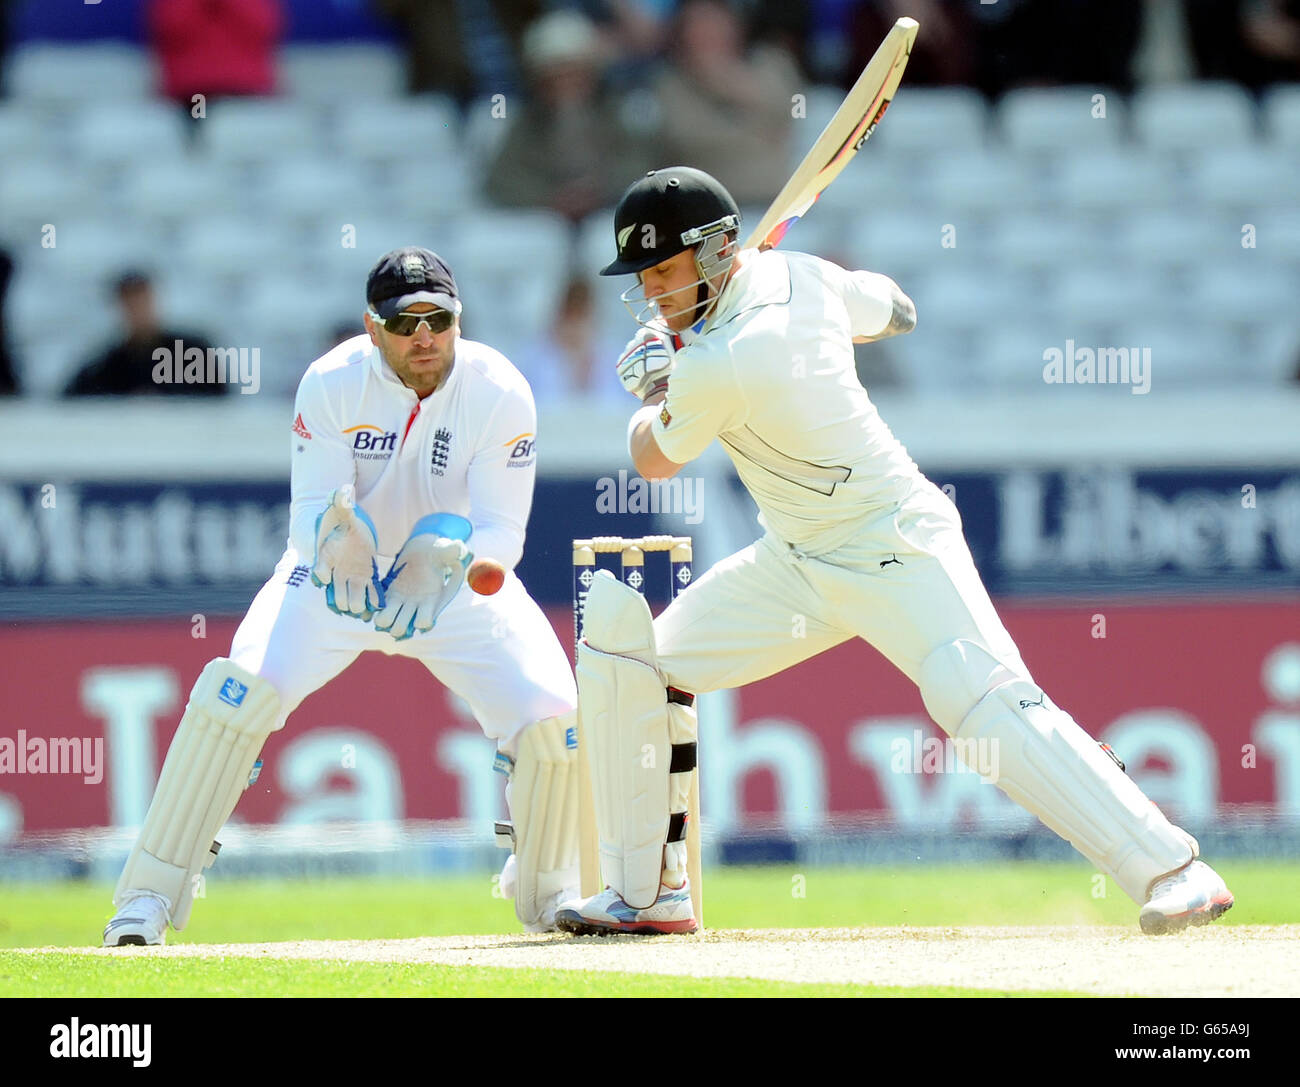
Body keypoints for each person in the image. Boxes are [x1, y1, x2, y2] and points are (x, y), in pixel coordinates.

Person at [556, 166, 1235, 936]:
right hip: (796, 562)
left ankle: (1177, 869)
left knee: (976, 699)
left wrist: (655, 388)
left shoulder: (724, 359)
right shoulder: (803, 281)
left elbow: (652, 457)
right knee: (635, 665)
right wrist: (794, 296)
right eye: (644, 277)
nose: (654, 292)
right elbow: (898, 310)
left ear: (716, 253)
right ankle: (649, 894)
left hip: (894, 541)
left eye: (667, 271)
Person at [103, 247, 581, 946]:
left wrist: (455, 556)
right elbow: (306, 515)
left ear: (459, 318)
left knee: (551, 711)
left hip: (447, 578)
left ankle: (550, 888)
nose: (424, 335)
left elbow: (504, 530)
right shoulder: (331, 382)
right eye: (404, 321)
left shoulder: (500, 388)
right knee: (235, 693)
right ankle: (147, 896)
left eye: (438, 318)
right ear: (371, 325)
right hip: (338, 582)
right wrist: (333, 538)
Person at [484, 9, 654, 224]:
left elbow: (641, 165)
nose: (565, 85)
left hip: (610, 211)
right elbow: (502, 180)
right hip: (547, 220)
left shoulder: (616, 111)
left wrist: (598, 193)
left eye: (573, 73)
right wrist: (550, 200)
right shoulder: (527, 122)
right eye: (555, 76)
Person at [63, 272, 223, 397]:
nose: (137, 311)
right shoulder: (105, 366)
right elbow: (74, 401)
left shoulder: (192, 353)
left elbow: (219, 400)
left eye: (142, 302)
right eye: (130, 304)